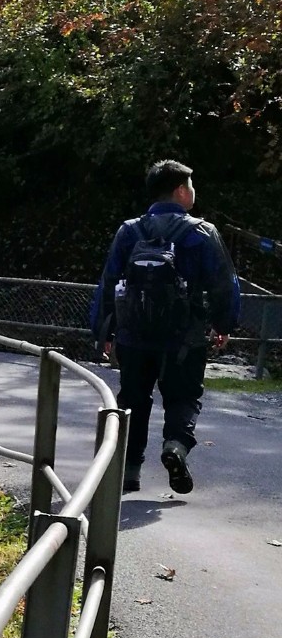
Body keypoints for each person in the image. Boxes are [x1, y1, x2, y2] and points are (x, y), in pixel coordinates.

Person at [90, 159, 240, 494]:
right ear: (180, 190)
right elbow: (224, 284)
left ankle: (129, 472)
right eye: (191, 185)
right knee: (183, 398)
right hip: (184, 339)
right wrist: (223, 324)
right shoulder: (202, 232)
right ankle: (175, 446)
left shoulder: (130, 231)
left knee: (132, 400)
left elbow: (109, 281)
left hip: (133, 335)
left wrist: (103, 330)